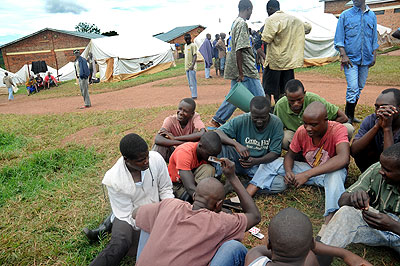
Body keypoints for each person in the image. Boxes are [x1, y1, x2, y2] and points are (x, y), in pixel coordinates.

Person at [134, 158, 261, 266]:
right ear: (219, 205)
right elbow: (254, 216)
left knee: (148, 216)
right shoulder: (220, 222)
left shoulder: (170, 204)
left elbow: (135, 213)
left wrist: (163, 224)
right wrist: (232, 177)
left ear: (194, 196)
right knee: (234, 247)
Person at [251, 102, 350, 224]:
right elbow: (290, 155)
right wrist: (289, 171)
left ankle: (330, 221)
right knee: (274, 163)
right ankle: (248, 192)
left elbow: (343, 158)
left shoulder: (338, 129)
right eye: (305, 123)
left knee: (335, 176)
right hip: (309, 169)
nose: (308, 128)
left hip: (330, 173)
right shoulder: (302, 131)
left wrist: (307, 175)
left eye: (313, 125)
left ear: (326, 120)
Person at [88, 133, 174, 266]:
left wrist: (169, 210)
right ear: (126, 160)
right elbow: (125, 214)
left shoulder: (156, 159)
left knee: (169, 236)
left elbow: (165, 189)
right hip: (129, 217)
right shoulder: (114, 179)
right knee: (121, 243)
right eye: (141, 160)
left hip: (157, 209)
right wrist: (150, 227)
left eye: (147, 156)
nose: (146, 161)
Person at [320, 142, 400, 256]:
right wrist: (353, 198)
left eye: (387, 170)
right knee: (346, 212)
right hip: (376, 228)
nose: (381, 171)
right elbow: (342, 200)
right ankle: (322, 255)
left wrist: (393, 225)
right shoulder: (376, 169)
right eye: (382, 165)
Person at [245, 208, 372, 266]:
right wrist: (344, 254)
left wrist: (284, 247)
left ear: (268, 244)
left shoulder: (253, 258)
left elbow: (258, 250)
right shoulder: (310, 259)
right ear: (312, 244)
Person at [209, 0, 265, 129]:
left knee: (235, 96)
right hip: (245, 69)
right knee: (260, 98)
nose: (251, 13)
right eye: (251, 10)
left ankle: (216, 120)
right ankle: (265, 124)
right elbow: (240, 49)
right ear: (248, 9)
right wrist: (241, 73)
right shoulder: (242, 24)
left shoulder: (235, 23)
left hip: (238, 67)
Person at [214, 96, 283, 184]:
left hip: (260, 165)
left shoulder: (276, 123)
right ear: (250, 112)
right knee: (221, 144)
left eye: (263, 118)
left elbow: (275, 152)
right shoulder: (242, 119)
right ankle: (217, 178)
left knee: (280, 184)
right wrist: (236, 144)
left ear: (269, 112)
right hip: (239, 162)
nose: (259, 121)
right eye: (255, 117)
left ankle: (241, 184)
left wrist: (256, 161)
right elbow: (218, 133)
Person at [274, 79, 353, 150]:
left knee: (348, 128)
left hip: (321, 135)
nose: (296, 104)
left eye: (299, 99)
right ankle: (301, 156)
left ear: (304, 93)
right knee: (284, 138)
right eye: (291, 101)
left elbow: (343, 117)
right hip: (299, 138)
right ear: (286, 96)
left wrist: (324, 130)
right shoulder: (280, 105)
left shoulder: (314, 99)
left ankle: (332, 151)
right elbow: (277, 130)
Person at [335, 0, 379, 124]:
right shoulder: (345, 15)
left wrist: (374, 55)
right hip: (350, 59)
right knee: (353, 87)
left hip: (366, 58)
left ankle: (351, 115)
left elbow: (374, 37)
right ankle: (347, 117)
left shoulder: (372, 15)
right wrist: (343, 55)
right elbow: (339, 37)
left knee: (359, 87)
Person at [261, 0, 312, 103]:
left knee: (268, 89)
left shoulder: (271, 19)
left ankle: (268, 111)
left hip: (274, 62)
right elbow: (308, 28)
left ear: (270, 9)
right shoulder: (293, 20)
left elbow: (266, 39)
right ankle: (282, 110)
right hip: (289, 62)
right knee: (285, 89)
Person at [351, 88, 400, 172]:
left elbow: (391, 161)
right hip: (373, 166)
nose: (379, 112)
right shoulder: (371, 120)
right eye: (377, 107)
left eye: (385, 107)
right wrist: (376, 126)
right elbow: (354, 151)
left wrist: (387, 128)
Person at [168, 131, 222, 200]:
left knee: (209, 169)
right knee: (188, 198)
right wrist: (204, 200)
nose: (212, 158)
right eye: (210, 155)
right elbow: (190, 187)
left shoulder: (206, 152)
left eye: (215, 155)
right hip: (176, 185)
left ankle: (196, 196)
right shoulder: (184, 153)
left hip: (191, 180)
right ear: (200, 146)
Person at [152, 98, 206, 162]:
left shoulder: (195, 117)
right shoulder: (170, 120)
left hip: (190, 153)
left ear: (192, 114)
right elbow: (158, 139)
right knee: (159, 146)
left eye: (185, 111)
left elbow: (202, 133)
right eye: (180, 109)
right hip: (175, 152)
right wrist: (186, 143)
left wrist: (174, 138)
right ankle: (154, 168)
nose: (180, 113)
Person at [184, 33, 198, 99]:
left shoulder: (193, 45)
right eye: (186, 39)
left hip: (192, 67)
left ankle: (194, 95)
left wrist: (192, 65)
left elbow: (195, 55)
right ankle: (192, 93)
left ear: (190, 39)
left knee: (193, 82)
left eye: (188, 39)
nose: (187, 41)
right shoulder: (185, 46)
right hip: (186, 67)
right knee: (189, 82)